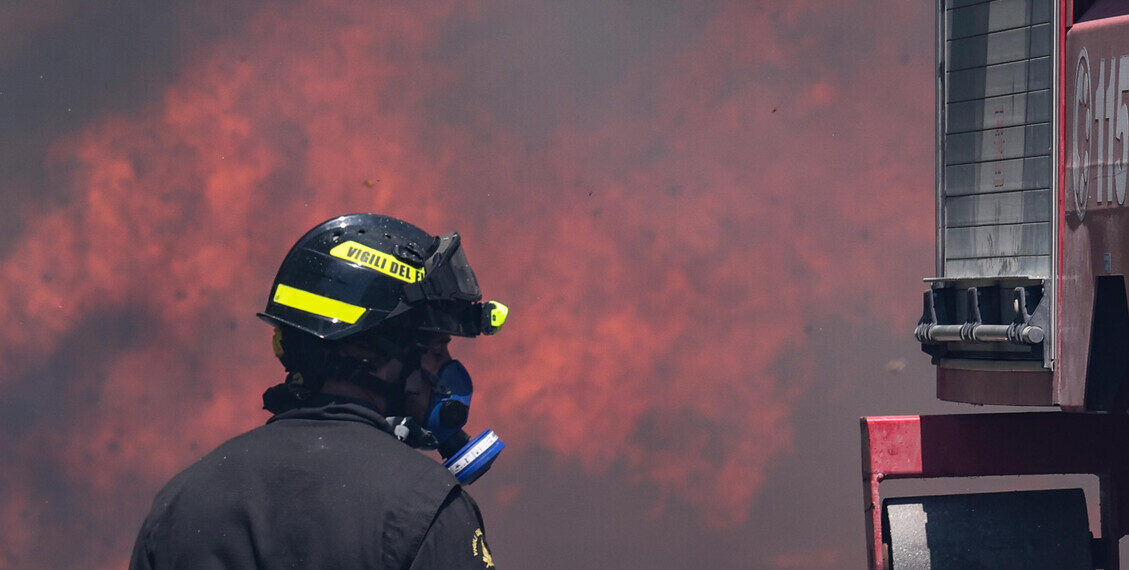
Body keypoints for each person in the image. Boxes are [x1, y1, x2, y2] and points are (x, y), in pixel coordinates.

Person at [130, 214, 509, 569]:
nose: (445, 368)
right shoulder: (427, 510)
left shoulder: (179, 503)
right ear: (386, 353)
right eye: (438, 348)